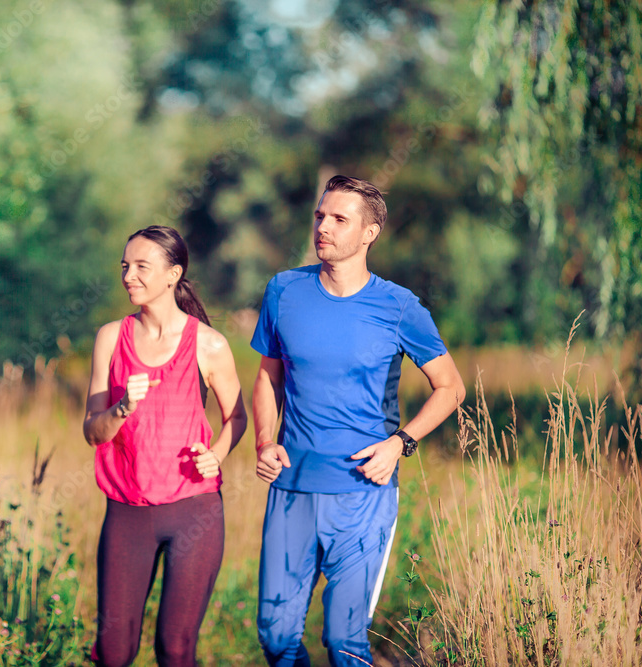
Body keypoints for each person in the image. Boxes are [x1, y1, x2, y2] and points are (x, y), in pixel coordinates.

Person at [251, 175, 466, 667]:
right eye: (320, 216)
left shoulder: (398, 307)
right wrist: (265, 440)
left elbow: (450, 387)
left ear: (369, 233)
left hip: (363, 494)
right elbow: (267, 378)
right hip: (291, 488)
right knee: (276, 636)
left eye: (338, 219)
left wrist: (399, 444)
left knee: (344, 642)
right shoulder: (284, 291)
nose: (323, 226)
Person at [83, 225, 248, 667]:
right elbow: (91, 431)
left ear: (173, 274)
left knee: (175, 651)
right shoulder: (110, 338)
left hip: (193, 510)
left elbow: (238, 417)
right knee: (114, 653)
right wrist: (121, 408)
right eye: (125, 266)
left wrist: (218, 455)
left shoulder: (209, 345)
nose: (128, 276)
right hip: (126, 513)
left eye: (141, 267)